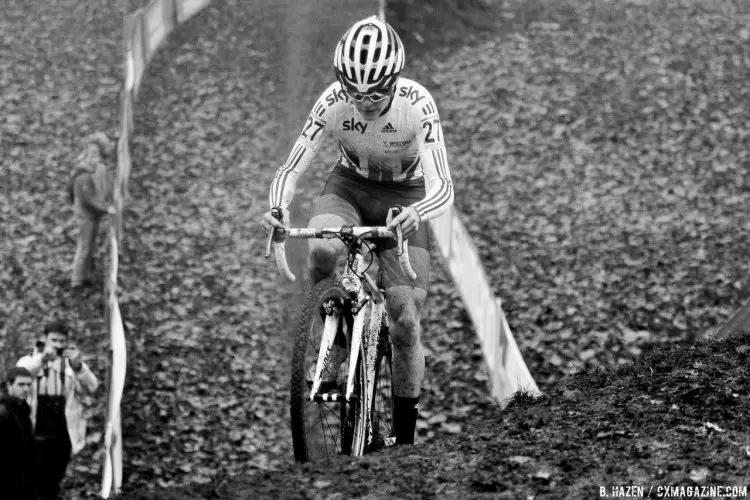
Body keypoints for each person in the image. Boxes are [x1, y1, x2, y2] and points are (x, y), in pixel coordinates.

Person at [261, 16, 454, 446]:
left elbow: (443, 185)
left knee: (405, 319)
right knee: (323, 250)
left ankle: (405, 437)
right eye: (355, 91)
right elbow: (293, 166)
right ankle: (328, 322)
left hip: (405, 195)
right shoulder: (333, 101)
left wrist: (417, 212)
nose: (364, 101)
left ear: (395, 80)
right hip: (348, 187)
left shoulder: (417, 104)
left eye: (376, 92)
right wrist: (277, 208)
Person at [16, 319, 99, 500]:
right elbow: (19, 376)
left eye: (62, 341)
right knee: (32, 478)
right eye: (54, 340)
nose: (58, 345)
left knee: (54, 479)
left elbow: (92, 387)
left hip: (62, 429)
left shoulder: (71, 364)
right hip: (35, 428)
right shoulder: (30, 359)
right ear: (44, 339)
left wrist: (79, 367)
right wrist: (42, 359)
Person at [68, 131, 116, 289]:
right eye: (94, 157)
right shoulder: (83, 177)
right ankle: (77, 279)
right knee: (84, 246)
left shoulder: (91, 173)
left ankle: (86, 273)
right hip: (86, 217)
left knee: (90, 245)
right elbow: (89, 200)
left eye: (98, 157)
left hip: (92, 215)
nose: (97, 161)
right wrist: (105, 209)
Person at [0, 367, 37, 500]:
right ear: (9, 385)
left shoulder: (24, 409)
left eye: (28, 384)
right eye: (21, 384)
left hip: (24, 481)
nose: (26, 389)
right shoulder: (3, 412)